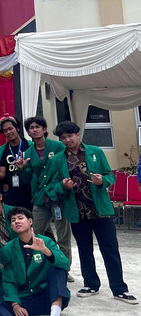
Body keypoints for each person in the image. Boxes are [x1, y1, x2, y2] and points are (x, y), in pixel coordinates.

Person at [46, 120, 137, 304]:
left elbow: (109, 175)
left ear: (78, 135)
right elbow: (51, 186)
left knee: (110, 249)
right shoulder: (57, 159)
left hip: (100, 210)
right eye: (63, 138)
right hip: (77, 211)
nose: (67, 140)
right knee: (84, 249)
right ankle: (91, 284)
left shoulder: (95, 152)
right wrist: (63, 186)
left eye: (70, 136)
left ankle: (119, 288)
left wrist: (101, 180)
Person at [0, 207, 71, 316]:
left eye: (20, 218)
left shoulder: (45, 241)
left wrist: (45, 251)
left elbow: (65, 264)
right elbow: (8, 278)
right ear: (11, 226)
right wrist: (15, 305)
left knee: (57, 269)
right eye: (13, 220)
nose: (17, 221)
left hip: (47, 298)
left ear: (30, 221)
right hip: (25, 300)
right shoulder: (10, 247)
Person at [23, 116, 72, 271]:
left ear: (44, 129)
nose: (35, 130)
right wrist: (21, 168)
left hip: (59, 196)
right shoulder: (28, 152)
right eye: (31, 128)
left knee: (63, 235)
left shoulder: (58, 146)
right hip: (40, 198)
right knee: (34, 233)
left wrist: (62, 186)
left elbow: (67, 168)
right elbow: (28, 178)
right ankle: (37, 266)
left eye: (38, 126)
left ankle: (64, 267)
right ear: (28, 132)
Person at [0, 116, 33, 208]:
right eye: (5, 130)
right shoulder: (2, 150)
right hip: (11, 194)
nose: (8, 132)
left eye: (10, 128)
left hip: (29, 191)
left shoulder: (30, 146)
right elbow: (1, 174)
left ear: (18, 128)